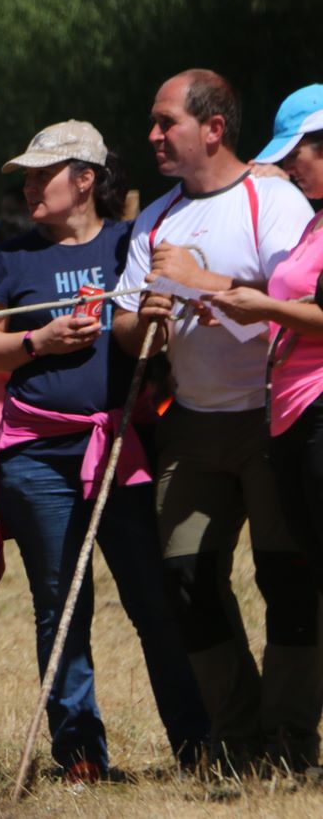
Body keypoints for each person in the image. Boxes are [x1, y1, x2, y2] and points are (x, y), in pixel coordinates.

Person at [0, 120, 208, 782]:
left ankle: (197, 743)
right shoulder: (10, 259)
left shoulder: (132, 245)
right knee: (60, 604)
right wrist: (35, 342)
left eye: (43, 172)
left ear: (86, 179)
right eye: (27, 174)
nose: (28, 184)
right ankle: (80, 755)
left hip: (119, 447)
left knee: (152, 598)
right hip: (36, 456)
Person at [112, 70, 319, 772]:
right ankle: (238, 739)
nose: (152, 135)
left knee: (288, 578)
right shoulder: (156, 218)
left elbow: (299, 300)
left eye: (164, 120)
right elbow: (123, 325)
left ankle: (291, 741)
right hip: (192, 424)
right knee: (188, 580)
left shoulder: (276, 202)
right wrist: (145, 319)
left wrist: (207, 287)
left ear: (213, 128)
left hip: (272, 418)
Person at [209, 83, 323, 604]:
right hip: (291, 413)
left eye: (295, 156)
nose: (290, 169)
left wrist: (264, 309)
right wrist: (242, 312)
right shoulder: (315, 220)